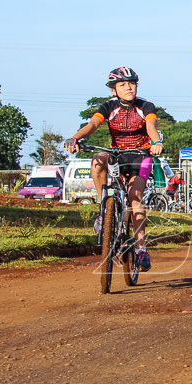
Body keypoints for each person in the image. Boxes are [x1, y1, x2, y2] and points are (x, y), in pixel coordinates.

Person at [65, 67, 164, 272]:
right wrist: (75, 138)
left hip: (141, 155)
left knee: (135, 198)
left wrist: (156, 142)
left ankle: (140, 249)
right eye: (122, 84)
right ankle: (104, 208)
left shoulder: (145, 105)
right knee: (97, 160)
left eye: (132, 83)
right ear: (113, 90)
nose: (128, 87)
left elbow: (151, 126)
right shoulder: (108, 106)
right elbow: (93, 124)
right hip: (117, 154)